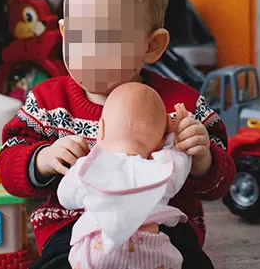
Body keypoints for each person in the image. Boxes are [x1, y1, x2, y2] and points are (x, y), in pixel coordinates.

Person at [0, 0, 236, 269]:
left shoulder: (183, 105)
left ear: (151, 46)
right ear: (64, 33)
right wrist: (43, 159)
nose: (88, 52)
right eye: (79, 36)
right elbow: (8, 163)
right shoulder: (47, 102)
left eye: (107, 39)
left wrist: (203, 158)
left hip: (162, 226)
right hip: (71, 229)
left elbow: (219, 184)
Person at [58, 83, 191, 268]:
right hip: (151, 251)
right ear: (160, 142)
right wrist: (174, 137)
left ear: (101, 129)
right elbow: (181, 160)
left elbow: (65, 197)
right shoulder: (161, 168)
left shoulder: (89, 167)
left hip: (99, 250)